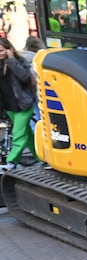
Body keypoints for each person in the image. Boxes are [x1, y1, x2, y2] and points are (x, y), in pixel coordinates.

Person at [0, 37, 38, 169]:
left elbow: (25, 77)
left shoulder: (19, 61)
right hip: (9, 105)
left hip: (23, 104)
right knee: (26, 134)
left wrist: (11, 60)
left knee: (18, 134)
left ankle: (11, 162)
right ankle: (40, 156)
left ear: (9, 50)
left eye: (1, 51)